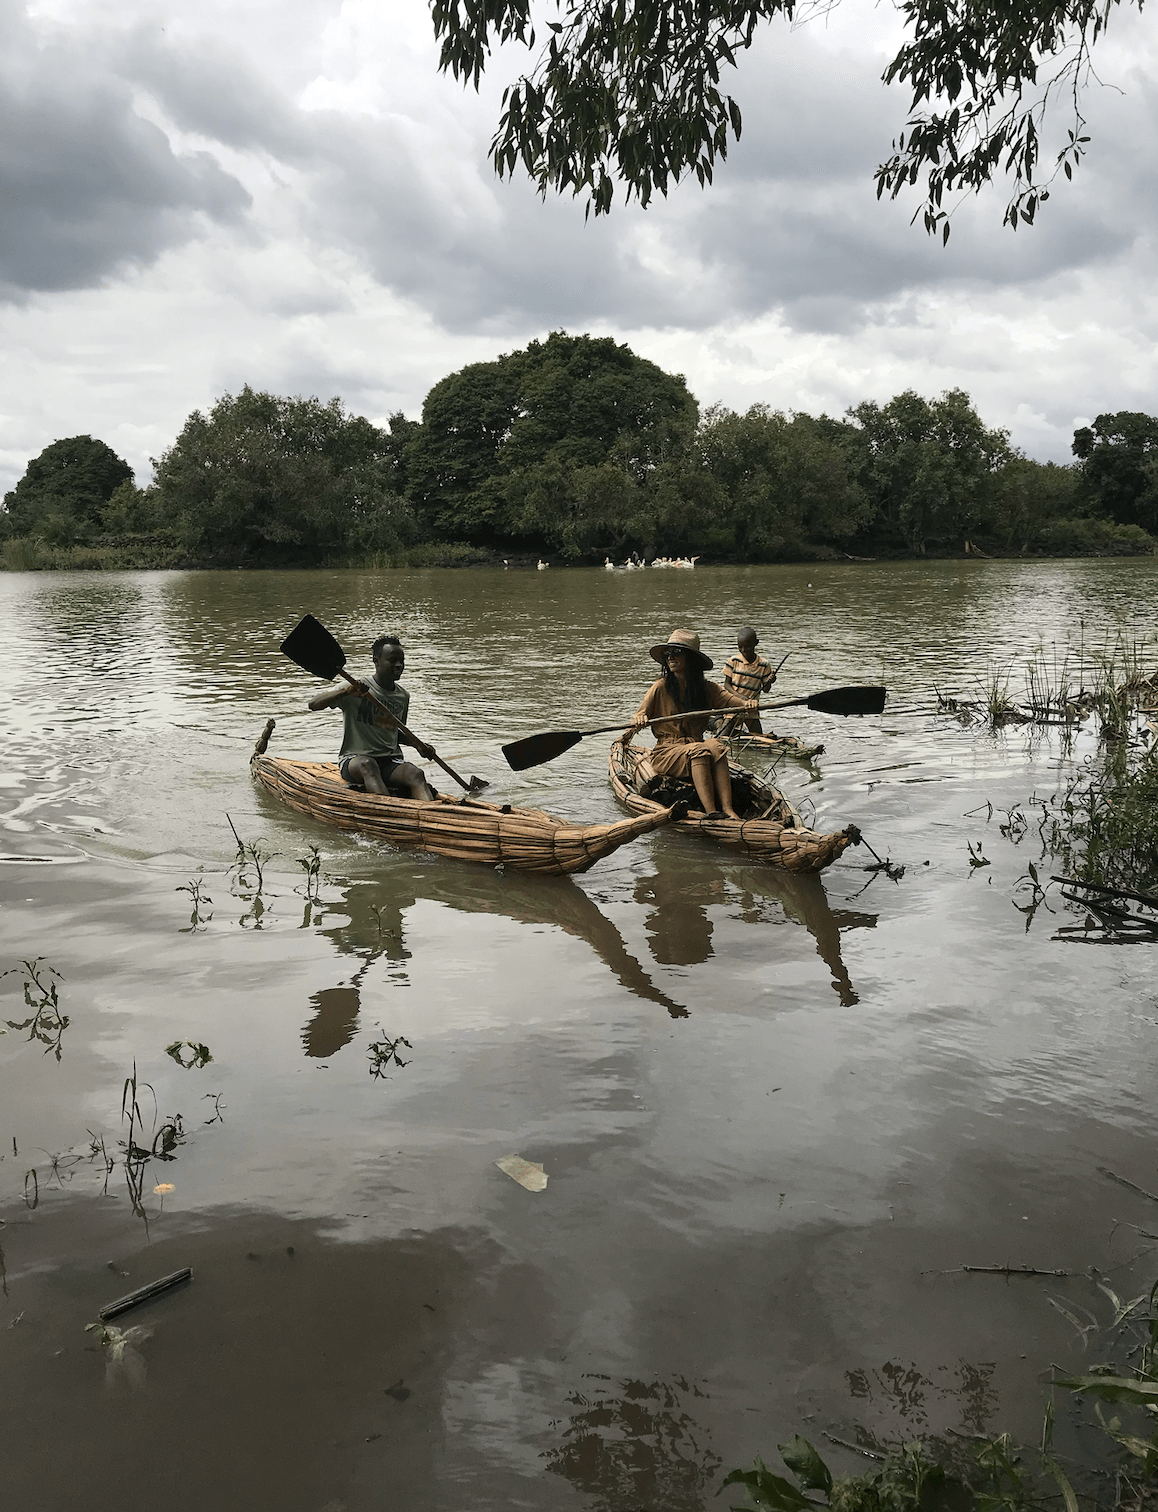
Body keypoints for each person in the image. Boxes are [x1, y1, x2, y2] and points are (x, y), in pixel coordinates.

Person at [624, 629, 758, 819]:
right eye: (668, 654)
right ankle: (711, 812)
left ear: (691, 658)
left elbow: (728, 700)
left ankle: (728, 809)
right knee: (700, 750)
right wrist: (639, 720)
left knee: (716, 745)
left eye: (676, 653)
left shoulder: (705, 688)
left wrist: (747, 704)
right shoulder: (660, 687)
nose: (671, 658)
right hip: (667, 752)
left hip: (695, 743)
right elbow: (638, 716)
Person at [308, 634, 437, 800]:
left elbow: (393, 733)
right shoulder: (356, 687)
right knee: (368, 765)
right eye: (392, 661)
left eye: (401, 661)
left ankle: (428, 814)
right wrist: (345, 692)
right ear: (376, 661)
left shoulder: (402, 696)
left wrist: (418, 745)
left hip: (389, 762)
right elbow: (313, 704)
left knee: (415, 773)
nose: (399, 665)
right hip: (355, 760)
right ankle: (388, 812)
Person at [720, 627, 778, 735]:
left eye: (747, 646)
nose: (743, 650)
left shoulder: (764, 664)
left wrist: (770, 681)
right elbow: (727, 685)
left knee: (758, 738)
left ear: (755, 643)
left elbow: (766, 689)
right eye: (740, 647)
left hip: (751, 708)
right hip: (734, 706)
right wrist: (740, 697)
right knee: (722, 737)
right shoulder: (733, 661)